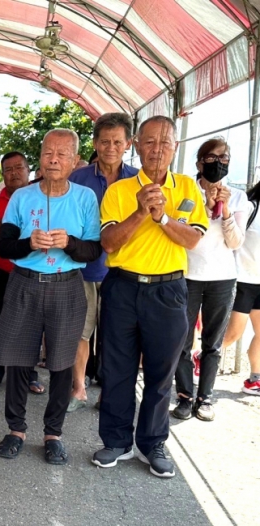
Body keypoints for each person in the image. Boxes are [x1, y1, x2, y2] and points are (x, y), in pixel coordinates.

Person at [94, 115, 208, 478]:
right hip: (123, 287)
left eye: (165, 143)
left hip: (169, 289)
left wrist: (162, 219)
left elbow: (192, 240)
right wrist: (141, 211)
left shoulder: (188, 188)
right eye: (150, 142)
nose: (157, 149)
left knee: (162, 371)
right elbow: (109, 243)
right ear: (137, 145)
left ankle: (152, 443)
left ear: (175, 148)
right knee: (117, 368)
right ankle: (116, 441)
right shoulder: (119, 191)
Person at [0, 129, 102, 465]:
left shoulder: (84, 197)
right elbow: (3, 245)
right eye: (48, 153)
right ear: (39, 158)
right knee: (18, 359)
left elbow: (93, 251)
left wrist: (68, 241)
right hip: (24, 283)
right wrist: (29, 243)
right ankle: (16, 429)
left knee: (60, 362)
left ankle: (53, 433)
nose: (54, 159)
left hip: (67, 285)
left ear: (74, 160)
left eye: (62, 154)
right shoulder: (22, 197)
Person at [172, 138, 248, 421]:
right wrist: (204, 205)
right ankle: (184, 395)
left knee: (212, 343)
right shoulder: (186, 192)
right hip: (188, 276)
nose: (219, 163)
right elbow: (180, 231)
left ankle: (205, 397)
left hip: (222, 278)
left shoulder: (238, 198)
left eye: (224, 158)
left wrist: (225, 209)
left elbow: (235, 242)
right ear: (199, 163)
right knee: (182, 338)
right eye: (212, 158)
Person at [67, 113, 139, 412]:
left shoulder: (138, 179)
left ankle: (108, 392)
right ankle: (78, 388)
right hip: (83, 270)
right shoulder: (78, 178)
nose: (111, 147)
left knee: (116, 336)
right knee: (80, 332)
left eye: (117, 142)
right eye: (105, 141)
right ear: (95, 144)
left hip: (123, 270)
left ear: (128, 144)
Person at [0, 151, 41, 392]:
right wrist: (6, 223)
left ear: (28, 170)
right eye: (8, 170)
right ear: (3, 174)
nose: (14, 173)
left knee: (31, 326)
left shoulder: (41, 198)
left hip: (31, 271)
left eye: (18, 168)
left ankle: (30, 375)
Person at [221, 180, 260, 396]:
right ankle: (200, 356)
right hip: (242, 280)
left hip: (259, 281)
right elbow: (233, 238)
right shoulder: (251, 207)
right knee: (233, 334)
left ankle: (255, 379)